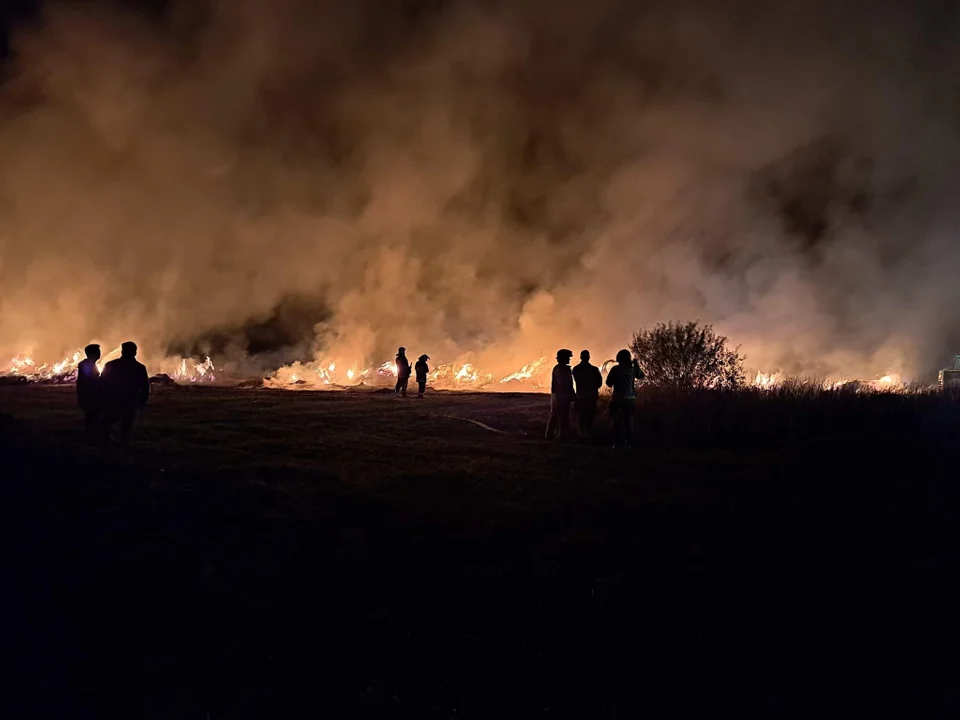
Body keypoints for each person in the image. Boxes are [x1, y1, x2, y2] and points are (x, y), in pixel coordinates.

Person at [100, 341, 150, 449]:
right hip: (130, 401)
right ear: (135, 352)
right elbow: (144, 386)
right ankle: (124, 448)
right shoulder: (140, 368)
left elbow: (103, 383)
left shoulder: (111, 365)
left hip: (113, 401)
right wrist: (142, 401)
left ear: (122, 351)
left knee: (106, 424)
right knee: (127, 428)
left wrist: (102, 399)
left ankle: (105, 448)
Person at [605, 348, 644, 449]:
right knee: (628, 423)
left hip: (617, 400)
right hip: (630, 400)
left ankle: (617, 444)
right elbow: (641, 376)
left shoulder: (615, 369)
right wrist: (636, 364)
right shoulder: (633, 369)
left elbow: (609, 383)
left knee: (616, 423)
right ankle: (629, 443)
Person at [571, 349, 602, 440]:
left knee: (581, 417)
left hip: (580, 396)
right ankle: (588, 435)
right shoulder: (594, 369)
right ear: (589, 357)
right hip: (591, 397)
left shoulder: (576, 369)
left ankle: (581, 435)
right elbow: (599, 383)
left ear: (581, 357)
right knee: (590, 417)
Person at [545, 348, 575, 440]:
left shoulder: (557, 368)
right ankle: (563, 435)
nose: (569, 359)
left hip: (557, 396)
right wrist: (571, 394)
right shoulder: (563, 370)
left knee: (555, 415)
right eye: (568, 357)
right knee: (563, 416)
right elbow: (565, 383)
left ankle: (550, 434)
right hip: (562, 396)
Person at [76, 343, 102, 437]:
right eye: (98, 351)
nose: (100, 353)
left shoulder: (89, 364)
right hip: (90, 395)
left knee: (93, 417)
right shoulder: (86, 365)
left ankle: (91, 435)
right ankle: (91, 436)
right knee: (92, 416)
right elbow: (90, 380)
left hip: (90, 395)